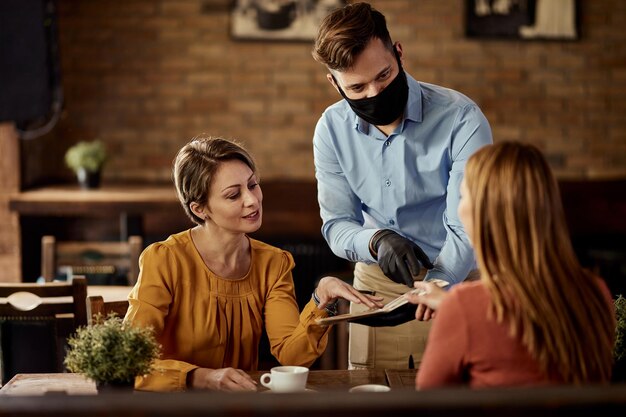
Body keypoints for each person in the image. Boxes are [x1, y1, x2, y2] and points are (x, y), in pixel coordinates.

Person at [311, 2, 493, 368]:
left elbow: (468, 224)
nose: (374, 93)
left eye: (384, 75)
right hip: (376, 292)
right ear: (334, 83)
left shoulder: (462, 118)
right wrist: (375, 242)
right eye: (357, 87)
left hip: (458, 284)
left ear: (399, 53)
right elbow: (336, 225)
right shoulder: (330, 130)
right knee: (368, 395)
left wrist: (437, 285)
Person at [125, 136, 382, 392]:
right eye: (233, 195)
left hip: (240, 406)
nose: (252, 200)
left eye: (253, 185)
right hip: (173, 407)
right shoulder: (164, 259)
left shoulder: (273, 263)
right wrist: (201, 377)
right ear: (200, 208)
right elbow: (129, 361)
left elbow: (292, 356)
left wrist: (321, 299)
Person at [406, 142, 615, 388]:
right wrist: (453, 307)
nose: (458, 209)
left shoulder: (465, 307)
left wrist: (458, 311)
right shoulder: (596, 292)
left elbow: (428, 400)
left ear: (484, 214)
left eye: (463, 196)